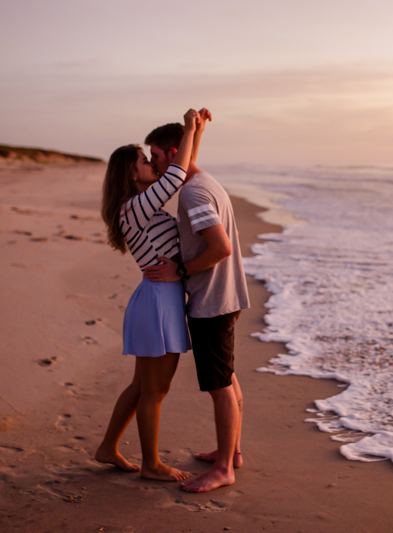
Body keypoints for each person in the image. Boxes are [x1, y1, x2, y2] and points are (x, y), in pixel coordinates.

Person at [94, 108, 204, 482]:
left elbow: (181, 167)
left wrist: (196, 133)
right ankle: (152, 465)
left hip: (159, 298)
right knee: (155, 391)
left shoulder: (141, 206)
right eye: (144, 160)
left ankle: (108, 448)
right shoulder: (135, 208)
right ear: (131, 172)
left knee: (142, 387)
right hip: (158, 301)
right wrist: (188, 128)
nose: (149, 163)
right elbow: (175, 175)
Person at [144, 118, 250, 493]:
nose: (152, 162)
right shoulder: (204, 180)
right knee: (228, 375)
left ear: (173, 154)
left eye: (155, 155)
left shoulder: (192, 194)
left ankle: (224, 468)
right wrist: (197, 129)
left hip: (211, 301)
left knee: (220, 385)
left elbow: (219, 248)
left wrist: (180, 269)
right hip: (228, 295)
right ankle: (231, 451)